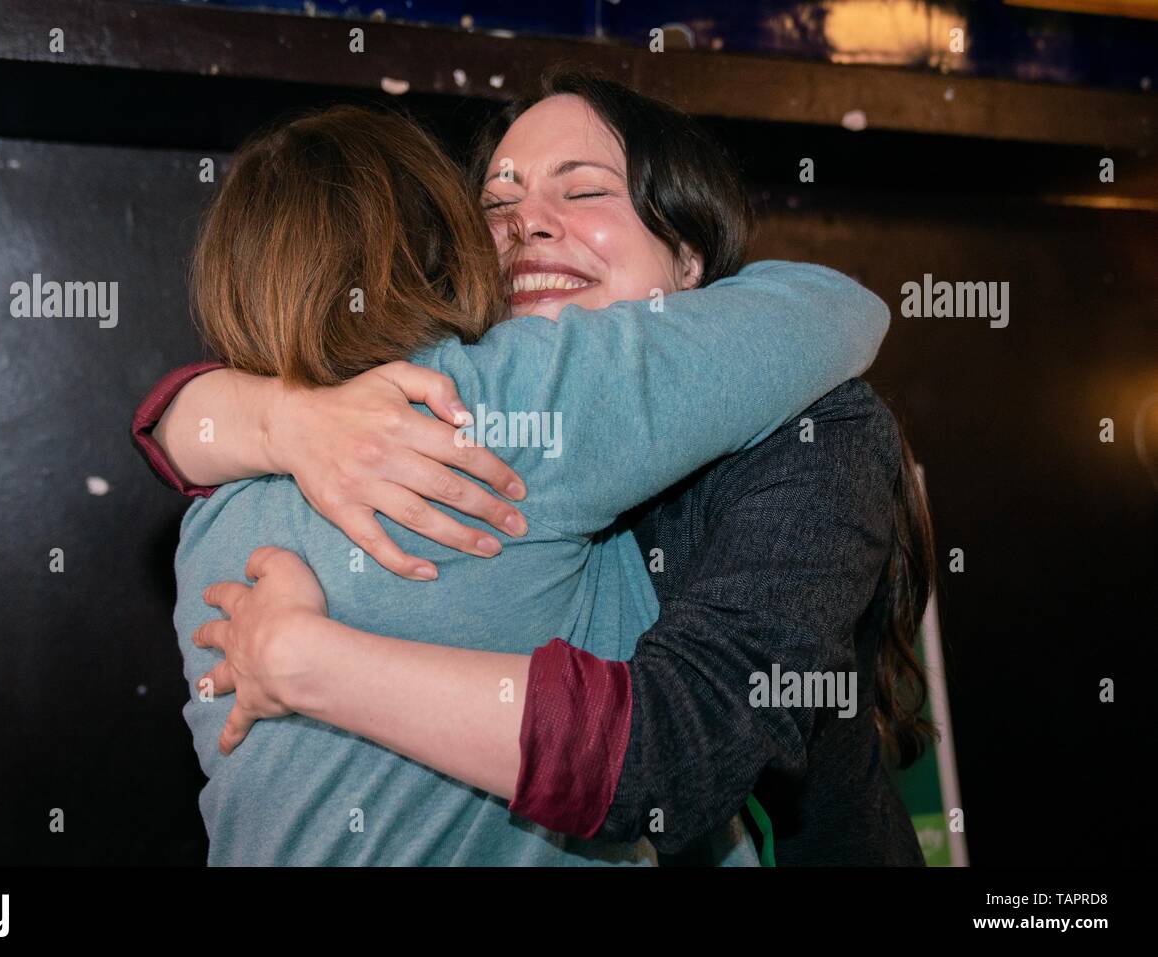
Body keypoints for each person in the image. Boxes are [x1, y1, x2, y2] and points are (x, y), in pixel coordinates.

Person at [138, 68, 927, 865]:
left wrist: (307, 660)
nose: (527, 226)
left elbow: (674, 753)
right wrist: (285, 418)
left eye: (581, 192)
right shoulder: (485, 404)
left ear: (688, 258)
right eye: (496, 204)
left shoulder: (815, 425)